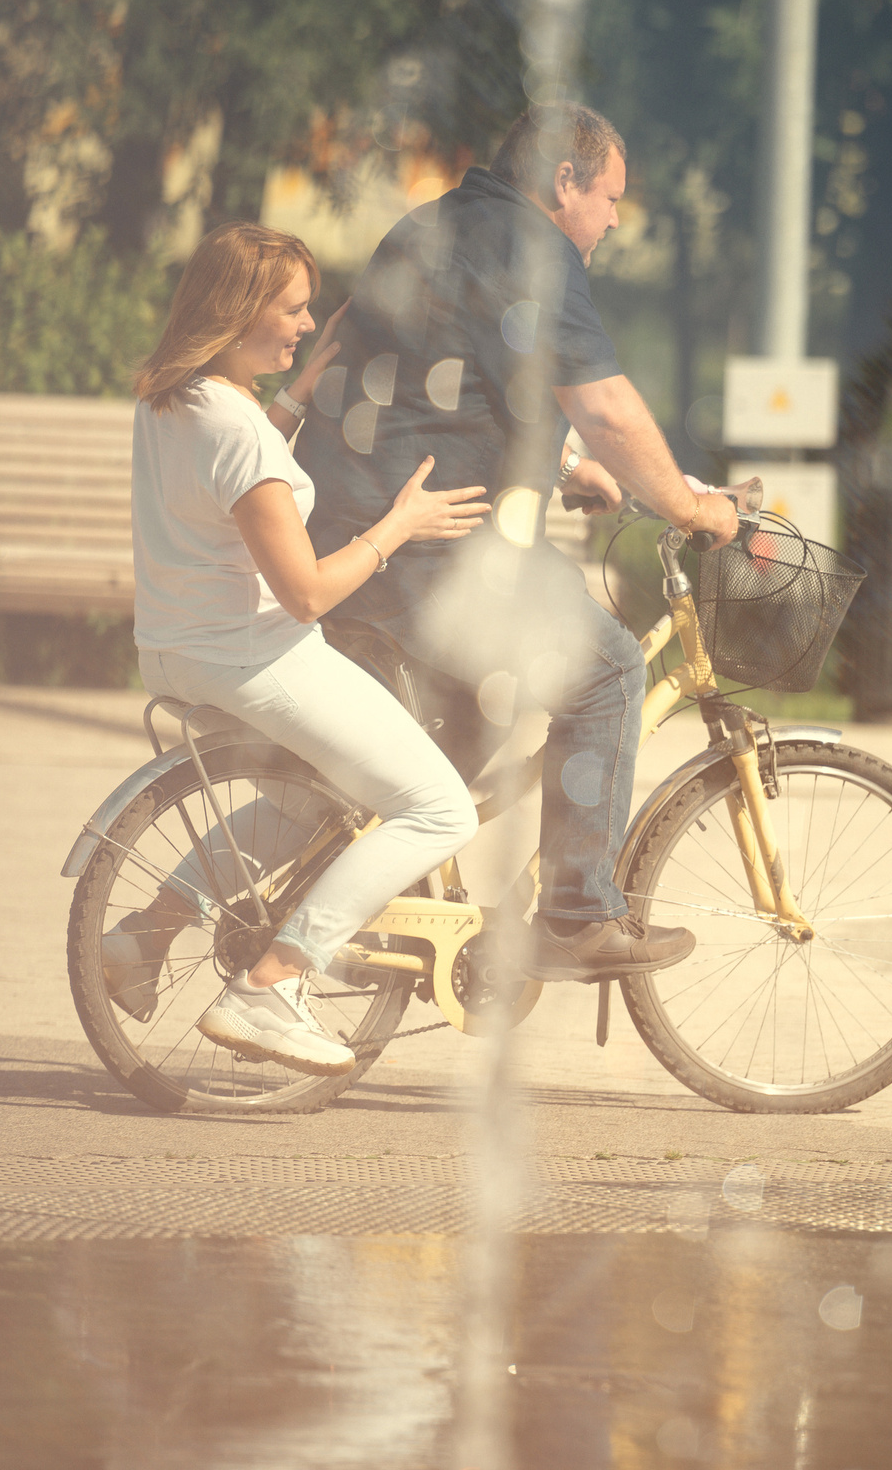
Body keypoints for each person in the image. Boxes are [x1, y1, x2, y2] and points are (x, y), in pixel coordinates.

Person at [296, 103, 739, 984]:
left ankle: (345, 880)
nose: (616, 218)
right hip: (424, 547)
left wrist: (568, 465)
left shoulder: (436, 224)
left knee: (475, 712)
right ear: (563, 181)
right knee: (608, 668)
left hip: (342, 527)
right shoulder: (534, 250)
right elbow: (604, 405)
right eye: (610, 196)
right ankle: (577, 916)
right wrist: (694, 510)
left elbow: (458, 383)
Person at [114, 222, 490, 1076]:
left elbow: (228, 480)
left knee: (305, 805)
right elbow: (308, 594)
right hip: (255, 656)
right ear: (238, 312)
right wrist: (400, 526)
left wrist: (295, 393)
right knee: (439, 808)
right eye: (291, 309)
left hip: (177, 648)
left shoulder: (172, 399)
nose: (307, 323)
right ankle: (272, 984)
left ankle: (145, 937)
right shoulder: (237, 430)